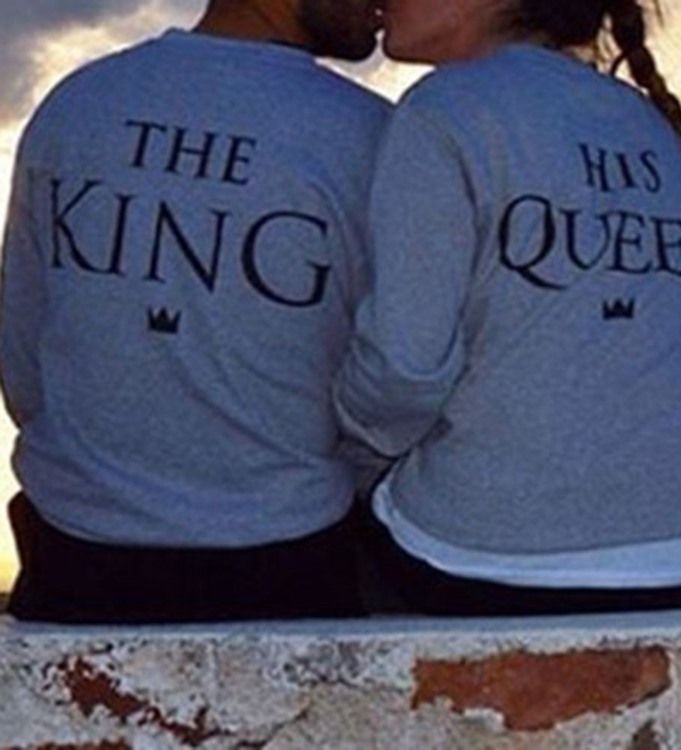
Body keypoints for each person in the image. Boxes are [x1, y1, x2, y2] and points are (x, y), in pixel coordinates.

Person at [334, 0, 681, 616]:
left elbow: (403, 371)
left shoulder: (446, 109)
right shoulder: (650, 126)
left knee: (299, 523)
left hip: (489, 565)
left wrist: (338, 452)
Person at [0, 0, 391, 623]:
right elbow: (391, 383)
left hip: (73, 560)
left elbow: (24, 359)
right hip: (289, 567)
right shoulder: (375, 137)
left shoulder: (80, 104)